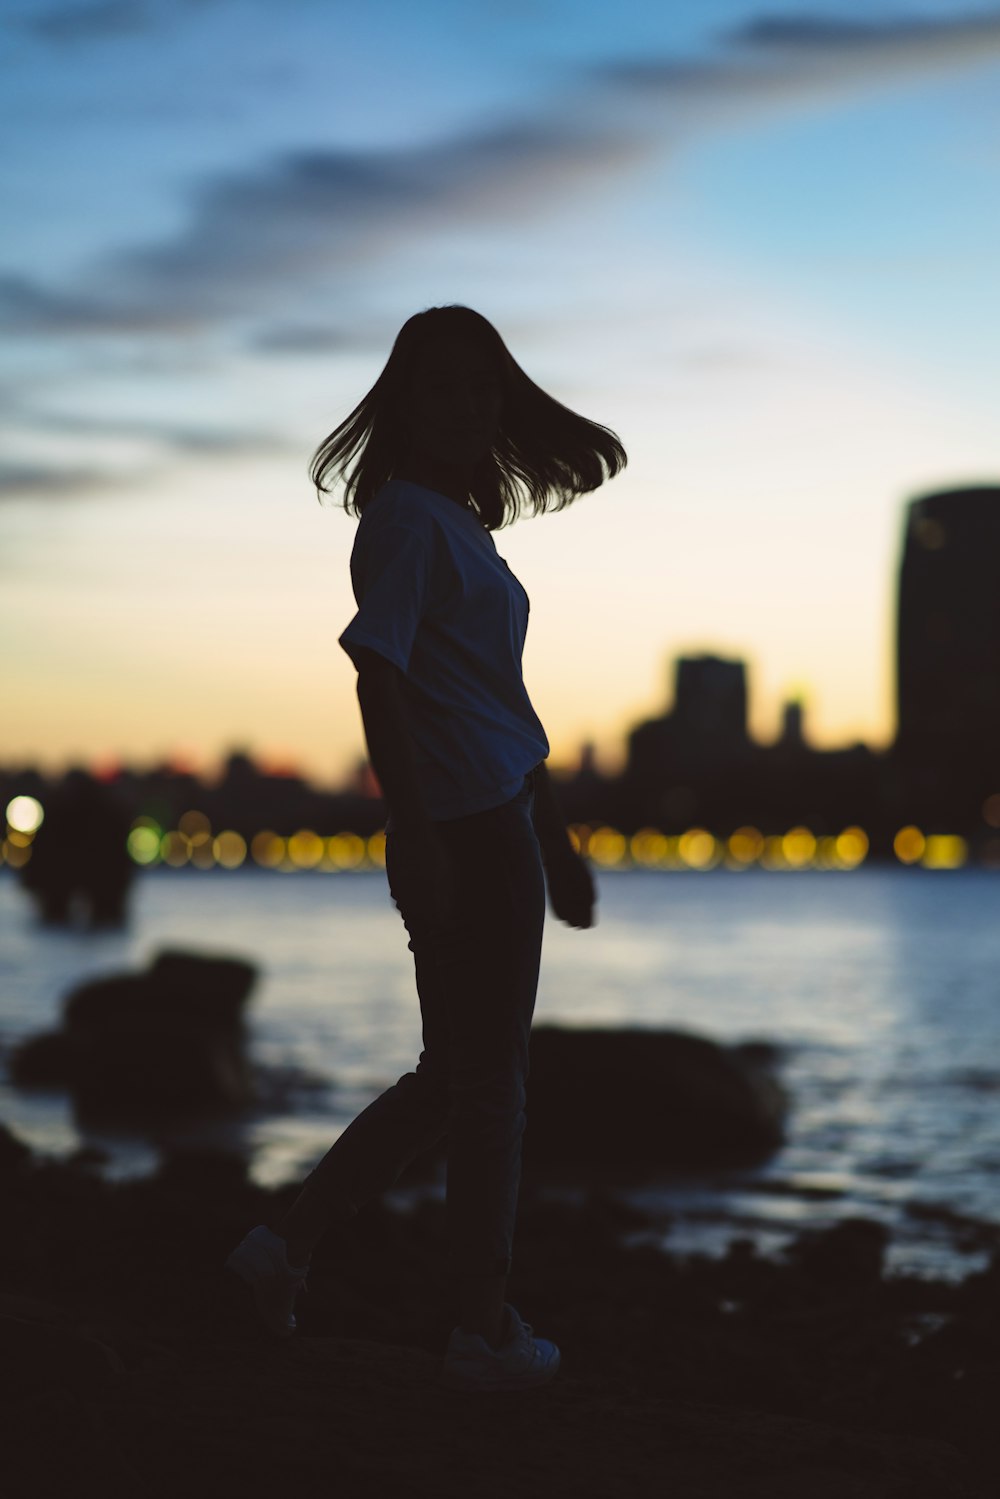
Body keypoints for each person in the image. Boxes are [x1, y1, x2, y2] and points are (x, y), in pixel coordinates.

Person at [226, 305, 626, 1391]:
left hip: (498, 818)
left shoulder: (456, 527)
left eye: (484, 386)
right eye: (446, 387)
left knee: (452, 1078)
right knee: (489, 1085)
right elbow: (378, 672)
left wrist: (558, 840)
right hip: (462, 826)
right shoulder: (404, 522)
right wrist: (416, 834)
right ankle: (479, 1328)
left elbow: (499, 707)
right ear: (405, 401)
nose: (471, 405)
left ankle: (283, 1249)